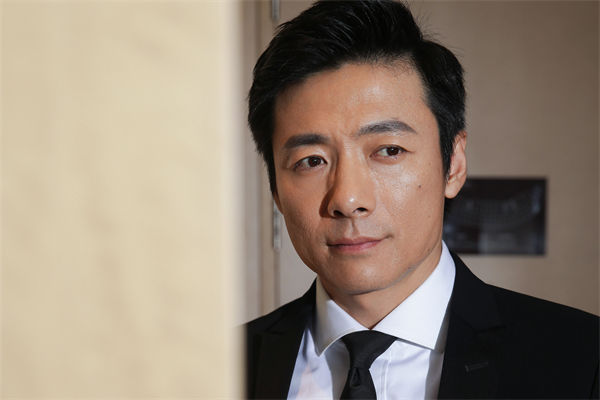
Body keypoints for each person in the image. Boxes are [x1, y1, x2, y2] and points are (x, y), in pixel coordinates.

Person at [245, 1, 599, 398]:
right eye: (311, 161)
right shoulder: (220, 368)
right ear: (275, 189)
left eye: (388, 151)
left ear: (454, 165)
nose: (348, 198)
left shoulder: (582, 361)